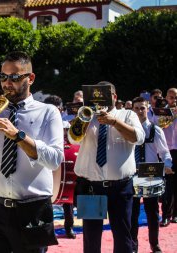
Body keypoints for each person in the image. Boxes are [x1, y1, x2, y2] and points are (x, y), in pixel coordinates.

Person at [0, 51, 64, 252]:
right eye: (3, 77)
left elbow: (54, 160)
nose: (7, 83)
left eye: (15, 77)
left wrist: (19, 136)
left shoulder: (47, 112)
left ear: (30, 78)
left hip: (32, 208)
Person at [69, 81, 145, 253]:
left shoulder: (127, 114)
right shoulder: (86, 115)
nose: (100, 98)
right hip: (91, 187)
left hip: (121, 187)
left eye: (105, 94)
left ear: (114, 97)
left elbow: (138, 138)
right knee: (91, 238)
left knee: (123, 236)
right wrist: (84, 118)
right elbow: (73, 139)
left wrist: (115, 122)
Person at [131, 96, 173, 253]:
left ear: (147, 109)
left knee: (153, 213)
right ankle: (133, 245)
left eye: (142, 108)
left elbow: (164, 152)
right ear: (132, 110)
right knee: (132, 213)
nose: (140, 111)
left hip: (150, 176)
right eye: (137, 108)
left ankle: (154, 244)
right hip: (131, 176)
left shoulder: (156, 130)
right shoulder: (128, 130)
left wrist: (167, 165)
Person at [44, 95, 76, 239]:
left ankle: (69, 227)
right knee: (46, 198)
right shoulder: (42, 122)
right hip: (46, 163)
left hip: (64, 164)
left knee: (67, 197)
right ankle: (48, 229)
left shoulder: (67, 124)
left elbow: (73, 142)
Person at [160, 87, 177, 227]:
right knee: (167, 186)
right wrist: (170, 115)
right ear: (166, 97)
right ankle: (166, 215)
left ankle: (175, 214)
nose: (174, 100)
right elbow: (159, 126)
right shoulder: (161, 111)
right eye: (171, 97)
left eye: (176, 97)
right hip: (166, 151)